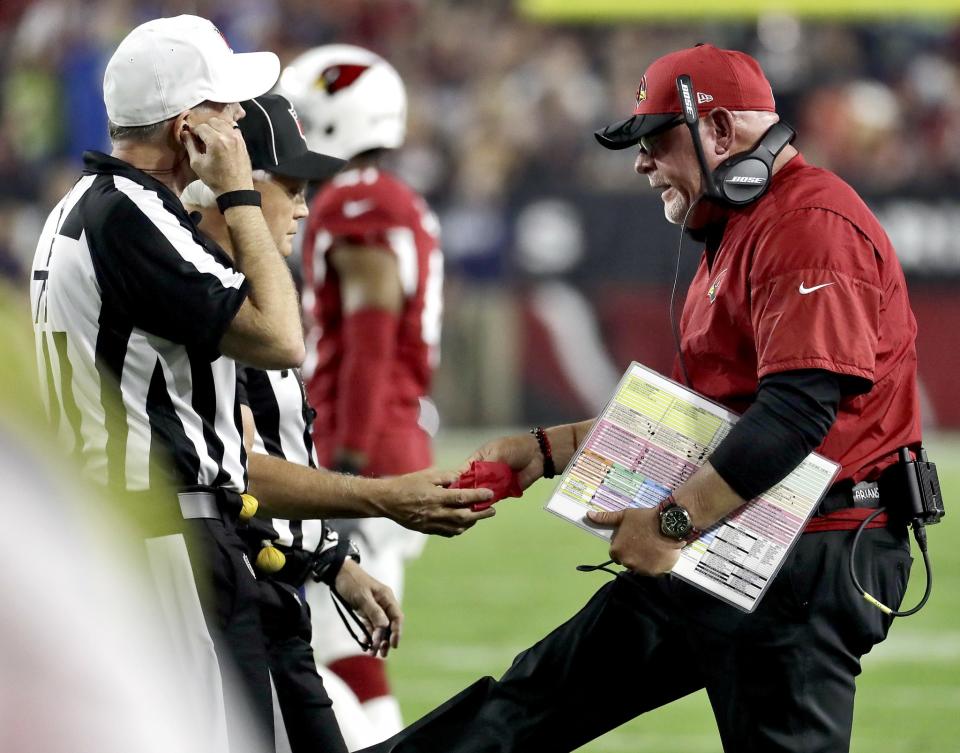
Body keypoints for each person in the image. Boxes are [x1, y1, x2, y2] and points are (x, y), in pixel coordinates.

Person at [362, 44, 920, 753]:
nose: (641, 162)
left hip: (805, 551)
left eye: (656, 141)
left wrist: (672, 523)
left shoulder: (810, 224)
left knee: (530, 707)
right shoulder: (746, 228)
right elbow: (713, 421)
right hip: (744, 536)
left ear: (717, 132)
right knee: (525, 705)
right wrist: (547, 449)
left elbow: (796, 412)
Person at [181, 92, 495, 753]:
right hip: (229, 582)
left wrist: (337, 551)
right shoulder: (203, 298)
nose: (305, 206)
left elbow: (366, 331)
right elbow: (232, 466)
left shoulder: (268, 278)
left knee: (343, 660)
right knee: (338, 668)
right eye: (292, 188)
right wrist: (364, 499)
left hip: (321, 503)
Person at [30, 15, 297, 751]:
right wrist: (241, 195)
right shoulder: (133, 216)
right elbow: (281, 336)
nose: (241, 119)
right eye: (225, 106)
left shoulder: (84, 209)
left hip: (135, 531)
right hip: (168, 534)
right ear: (188, 129)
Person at [279, 44, 445, 738]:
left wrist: (342, 464)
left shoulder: (355, 197)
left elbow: (373, 324)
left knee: (329, 650)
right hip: (390, 435)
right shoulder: (390, 195)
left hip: (362, 444)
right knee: (352, 652)